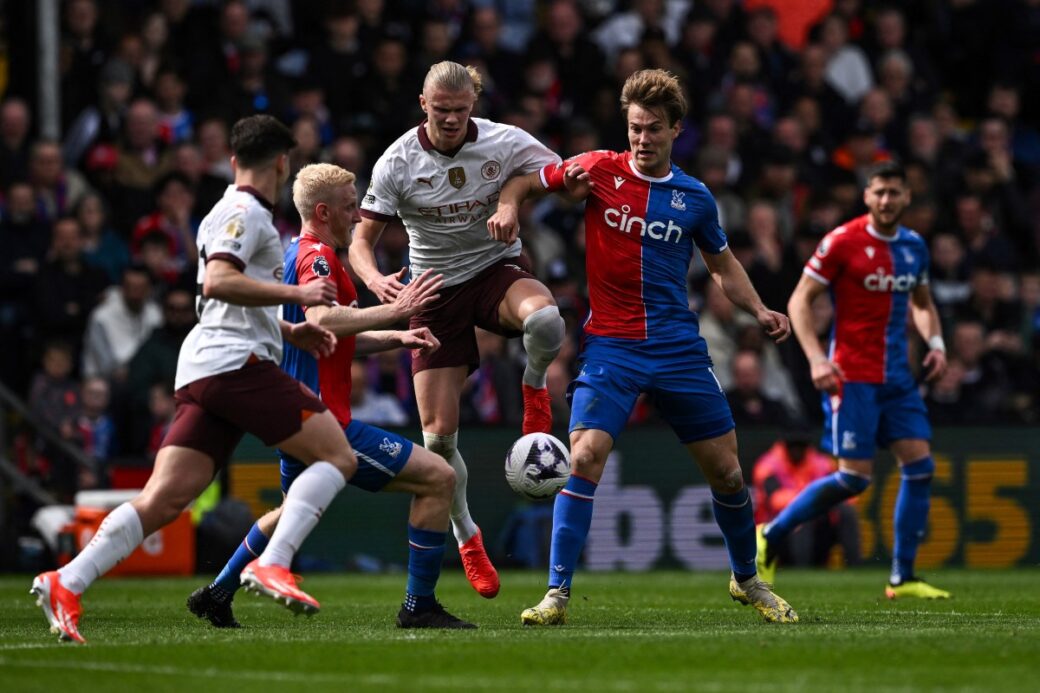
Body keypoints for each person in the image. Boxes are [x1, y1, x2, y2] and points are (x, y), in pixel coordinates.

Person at [488, 68, 798, 625]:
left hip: (679, 348)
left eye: (654, 128)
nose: (642, 139)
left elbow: (722, 265)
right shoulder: (597, 169)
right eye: (634, 127)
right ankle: (556, 594)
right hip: (612, 347)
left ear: (676, 130)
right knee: (582, 456)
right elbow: (524, 182)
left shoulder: (695, 199)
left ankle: (747, 579)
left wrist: (759, 309)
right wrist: (510, 206)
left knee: (727, 473)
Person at [31, 115, 356, 644]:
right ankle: (272, 562)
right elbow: (219, 280)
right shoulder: (246, 212)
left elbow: (220, 295)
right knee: (337, 457)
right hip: (235, 364)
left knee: (163, 499)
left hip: (209, 364)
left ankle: (67, 580)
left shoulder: (217, 213)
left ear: (233, 161)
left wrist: (287, 331)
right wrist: (297, 297)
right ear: (281, 162)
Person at [186, 162, 475, 629]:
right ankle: (419, 605)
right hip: (326, 422)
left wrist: (395, 337)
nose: (359, 216)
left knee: (288, 513)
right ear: (323, 212)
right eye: (349, 207)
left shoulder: (300, 252)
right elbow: (323, 322)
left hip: (296, 417)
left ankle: (218, 592)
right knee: (439, 477)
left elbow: (327, 337)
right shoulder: (316, 258)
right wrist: (395, 310)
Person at [349, 61, 567, 599]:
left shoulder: (504, 140)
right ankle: (468, 535)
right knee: (437, 437)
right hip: (434, 289)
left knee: (545, 318)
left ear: (475, 103)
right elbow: (360, 239)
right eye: (440, 110)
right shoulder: (397, 161)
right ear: (423, 104)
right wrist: (376, 279)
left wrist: (512, 198)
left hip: (494, 270)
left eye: (460, 110)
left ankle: (533, 384)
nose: (450, 120)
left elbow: (558, 175)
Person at [761, 160, 951, 600]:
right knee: (854, 479)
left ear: (907, 197)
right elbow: (800, 301)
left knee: (920, 467)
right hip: (852, 376)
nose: (886, 200)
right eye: (878, 192)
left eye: (894, 193)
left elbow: (922, 303)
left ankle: (902, 578)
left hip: (897, 377)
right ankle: (770, 533)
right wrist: (815, 360)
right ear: (866, 196)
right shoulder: (843, 241)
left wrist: (937, 342)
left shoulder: (914, 247)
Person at [752, 425, 860, 567]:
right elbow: (775, 500)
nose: (797, 450)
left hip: (819, 530)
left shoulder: (823, 464)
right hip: (778, 532)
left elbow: (845, 496)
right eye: (792, 446)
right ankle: (802, 570)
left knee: (846, 512)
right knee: (802, 513)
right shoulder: (768, 466)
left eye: (802, 446)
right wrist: (811, 500)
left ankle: (855, 567)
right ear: (784, 445)